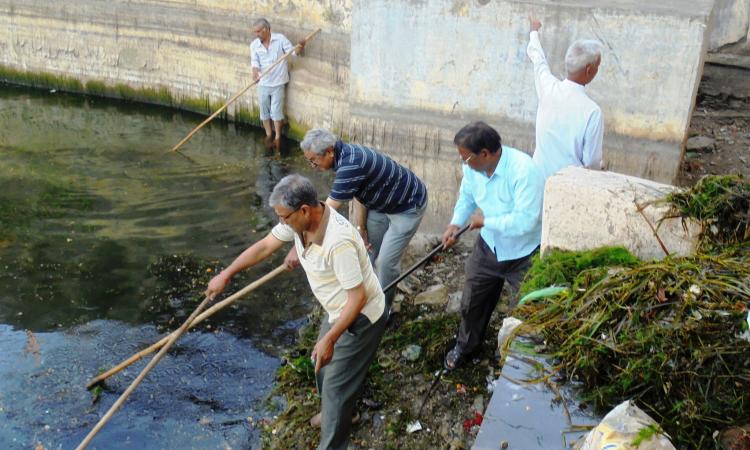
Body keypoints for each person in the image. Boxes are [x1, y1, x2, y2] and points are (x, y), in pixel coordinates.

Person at [206, 174, 386, 450]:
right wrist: (227, 274)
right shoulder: (298, 222)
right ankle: (340, 410)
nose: (282, 223)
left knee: (336, 387)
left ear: (304, 210)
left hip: (361, 316)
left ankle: (335, 434)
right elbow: (265, 245)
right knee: (323, 368)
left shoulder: (338, 242)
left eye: (284, 217)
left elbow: (358, 297)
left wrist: (329, 338)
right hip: (336, 309)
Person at [441, 122, 543, 370]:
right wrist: (455, 223)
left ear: (485, 154)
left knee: (524, 311)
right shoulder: (473, 169)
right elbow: (466, 196)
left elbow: (526, 221)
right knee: (472, 301)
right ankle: (466, 346)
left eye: (466, 159)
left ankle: (510, 357)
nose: (464, 163)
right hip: (489, 247)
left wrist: (486, 221)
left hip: (524, 253)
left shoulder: (524, 171)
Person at [293, 128, 428, 308]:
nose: (312, 166)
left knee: (385, 264)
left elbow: (324, 214)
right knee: (366, 252)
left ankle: (383, 311)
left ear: (329, 152)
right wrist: (361, 228)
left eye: (313, 160)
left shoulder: (351, 164)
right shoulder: (343, 157)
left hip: (407, 206)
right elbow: (357, 193)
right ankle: (362, 298)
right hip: (380, 203)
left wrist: (302, 247)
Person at [526, 15, 604, 181]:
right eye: (597, 67)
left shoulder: (548, 88)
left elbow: (538, 60)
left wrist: (534, 31)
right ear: (589, 70)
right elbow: (591, 163)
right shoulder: (592, 112)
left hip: (535, 182)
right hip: (566, 188)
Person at [250, 18, 306, 144]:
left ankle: (277, 137)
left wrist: (301, 46)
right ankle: (269, 135)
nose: (256, 34)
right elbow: (254, 63)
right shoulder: (254, 45)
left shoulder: (280, 39)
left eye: (258, 31)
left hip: (278, 82)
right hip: (263, 83)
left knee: (276, 112)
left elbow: (294, 53)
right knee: (264, 111)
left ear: (266, 29)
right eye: (255, 32)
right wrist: (255, 73)